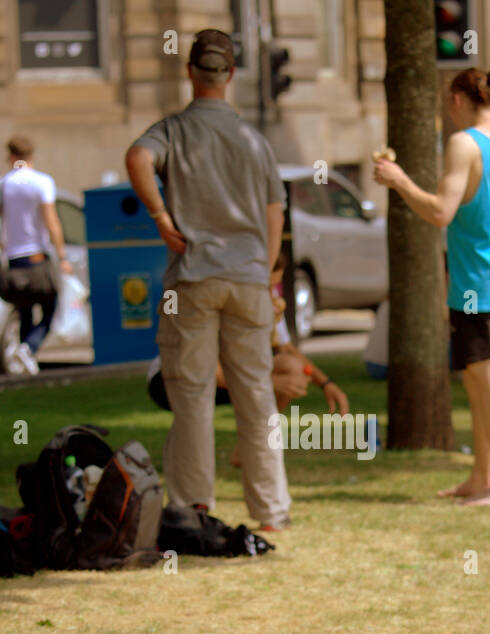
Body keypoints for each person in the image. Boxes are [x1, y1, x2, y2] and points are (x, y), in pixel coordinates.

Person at [125, 29, 292, 531]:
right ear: (232, 75)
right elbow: (275, 212)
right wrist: (263, 269)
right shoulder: (253, 140)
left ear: (190, 73)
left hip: (194, 277)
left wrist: (160, 215)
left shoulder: (173, 130)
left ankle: (195, 507)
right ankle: (271, 510)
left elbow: (137, 158)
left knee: (193, 395)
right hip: (247, 278)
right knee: (257, 394)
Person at [374, 68, 490, 507]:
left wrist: (399, 181)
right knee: (477, 380)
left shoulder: (462, 143)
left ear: (455, 99)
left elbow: (440, 213)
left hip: (479, 278)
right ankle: (480, 476)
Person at [147, 254, 351, 466]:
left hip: (220, 377)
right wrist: (269, 383)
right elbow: (209, 371)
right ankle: (185, 455)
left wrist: (326, 383)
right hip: (171, 379)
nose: (274, 294)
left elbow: (288, 350)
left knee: (292, 368)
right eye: (268, 287)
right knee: (195, 439)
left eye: (276, 287)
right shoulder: (219, 298)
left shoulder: (267, 305)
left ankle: (246, 449)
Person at [0, 135, 73, 376]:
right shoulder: (41, 182)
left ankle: (25, 355)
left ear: (11, 157)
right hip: (37, 257)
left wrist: (3, 244)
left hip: (13, 260)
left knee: (25, 311)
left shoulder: (1, 184)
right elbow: (52, 222)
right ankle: (29, 348)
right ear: (31, 156)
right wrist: (61, 255)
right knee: (51, 306)